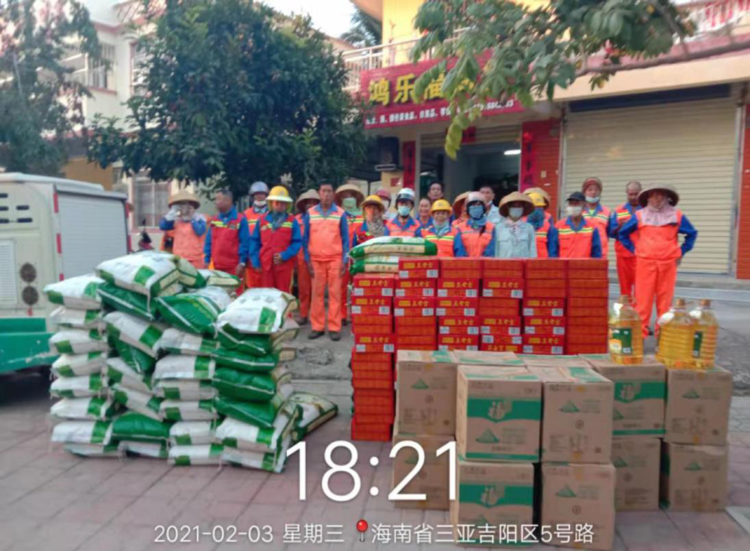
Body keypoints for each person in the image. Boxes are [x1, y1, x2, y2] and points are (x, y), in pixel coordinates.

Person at [619, 184, 698, 338]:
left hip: (668, 263)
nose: (657, 198)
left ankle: (663, 337)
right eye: (654, 195)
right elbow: (623, 233)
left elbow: (692, 234)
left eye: (661, 195)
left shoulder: (677, 216)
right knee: (642, 302)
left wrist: (681, 251)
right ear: (648, 198)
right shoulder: (640, 215)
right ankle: (639, 337)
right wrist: (635, 249)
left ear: (667, 198)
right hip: (645, 263)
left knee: (665, 303)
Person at [304, 182, 349, 341]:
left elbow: (345, 239)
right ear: (319, 193)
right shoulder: (310, 213)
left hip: (335, 259)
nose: (326, 194)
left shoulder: (340, 213)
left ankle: (334, 327)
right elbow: (305, 239)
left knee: (335, 294)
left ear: (333, 194)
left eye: (329, 191)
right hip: (316, 260)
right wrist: (307, 260)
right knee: (316, 295)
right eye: (324, 191)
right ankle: (317, 327)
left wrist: (344, 260)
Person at [248, 186, 301, 294]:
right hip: (265, 265)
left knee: (283, 294)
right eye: (277, 202)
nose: (280, 205)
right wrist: (255, 262)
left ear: (287, 205)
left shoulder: (292, 221)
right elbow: (254, 242)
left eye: (283, 203)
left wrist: (284, 255)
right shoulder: (262, 220)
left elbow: (297, 242)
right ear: (271, 203)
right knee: (266, 294)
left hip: (284, 265)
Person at [335, 183, 365, 328]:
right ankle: (341, 315)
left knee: (358, 286)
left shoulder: (362, 216)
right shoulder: (338, 216)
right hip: (342, 256)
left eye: (351, 196)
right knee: (341, 287)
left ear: (356, 198)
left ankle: (356, 314)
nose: (348, 198)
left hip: (359, 257)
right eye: (345, 196)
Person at [204, 189, 250, 277]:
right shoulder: (215, 220)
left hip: (234, 267)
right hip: (216, 267)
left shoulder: (240, 219)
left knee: (235, 287)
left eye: (218, 199)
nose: (215, 202)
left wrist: (242, 262)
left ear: (228, 200)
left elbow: (245, 243)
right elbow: (209, 241)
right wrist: (206, 260)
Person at [610, 181, 643, 299]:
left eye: (636, 194)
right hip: (623, 255)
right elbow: (611, 232)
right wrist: (620, 227)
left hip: (641, 255)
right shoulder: (619, 210)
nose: (633, 197)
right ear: (626, 193)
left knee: (641, 289)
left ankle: (639, 310)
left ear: (641, 193)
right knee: (624, 290)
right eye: (630, 194)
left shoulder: (646, 210)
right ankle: (625, 310)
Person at [159, 189, 207, 268]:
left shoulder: (200, 218)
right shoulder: (176, 220)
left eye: (187, 206)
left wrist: (192, 218)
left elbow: (200, 231)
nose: (185, 209)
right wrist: (172, 213)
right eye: (182, 206)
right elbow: (163, 226)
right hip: (179, 259)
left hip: (195, 260)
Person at [295, 190, 320, 326]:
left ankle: (316, 317)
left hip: (318, 255)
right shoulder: (297, 219)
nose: (310, 205)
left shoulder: (321, 218)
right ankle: (304, 314)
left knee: (317, 289)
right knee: (303, 288)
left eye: (314, 203)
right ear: (303, 205)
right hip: (301, 257)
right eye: (308, 203)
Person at [553, 191, 602, 259]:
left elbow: (596, 253)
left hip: (584, 265)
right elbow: (553, 252)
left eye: (576, 203)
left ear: (584, 206)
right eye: (571, 204)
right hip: (564, 265)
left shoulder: (592, 227)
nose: (573, 206)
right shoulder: (559, 226)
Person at [243, 181, 270, 289]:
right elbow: (243, 237)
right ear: (252, 196)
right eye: (256, 194)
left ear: (266, 195)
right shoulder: (246, 214)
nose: (259, 196)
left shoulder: (272, 213)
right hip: (251, 257)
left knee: (268, 287)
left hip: (267, 256)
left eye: (262, 193)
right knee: (252, 287)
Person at [495, 192, 537, 258]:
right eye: (513, 206)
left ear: (523, 209)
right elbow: (495, 251)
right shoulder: (498, 228)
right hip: (504, 263)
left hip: (523, 263)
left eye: (519, 206)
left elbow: (532, 250)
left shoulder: (529, 228)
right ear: (508, 208)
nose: (516, 208)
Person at [456, 191, 496, 257]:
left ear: (483, 207)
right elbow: (460, 251)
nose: (475, 207)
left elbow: (491, 250)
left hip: (485, 262)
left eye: (478, 205)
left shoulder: (491, 227)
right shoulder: (460, 227)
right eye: (473, 205)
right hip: (465, 263)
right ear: (468, 208)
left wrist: (482, 261)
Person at [581, 177, 612, 256]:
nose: (593, 192)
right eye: (590, 190)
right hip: (583, 254)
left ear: (600, 192)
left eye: (596, 190)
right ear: (584, 192)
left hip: (601, 255)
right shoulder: (579, 211)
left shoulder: (606, 211)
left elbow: (608, 234)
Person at [523, 187, 558, 258]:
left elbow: (552, 245)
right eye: (535, 207)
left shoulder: (548, 220)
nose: (537, 209)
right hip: (525, 260)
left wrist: (552, 261)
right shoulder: (521, 220)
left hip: (542, 261)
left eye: (539, 207)